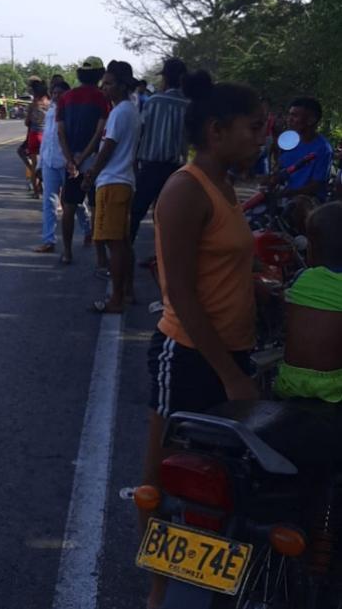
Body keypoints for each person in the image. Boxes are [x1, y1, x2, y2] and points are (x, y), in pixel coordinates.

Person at [141, 70, 265, 609]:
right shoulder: (185, 188)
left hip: (228, 352)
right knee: (162, 482)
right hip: (190, 355)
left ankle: (206, 585)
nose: (262, 137)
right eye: (254, 128)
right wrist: (231, 375)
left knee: (220, 484)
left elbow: (222, 269)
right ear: (217, 131)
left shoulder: (226, 186)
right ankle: (160, 591)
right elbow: (183, 295)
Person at [83, 60, 141, 313]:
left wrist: (92, 174)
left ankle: (116, 299)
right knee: (123, 242)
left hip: (113, 181)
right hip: (124, 180)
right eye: (103, 83)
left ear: (121, 85)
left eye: (108, 83)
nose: (103, 88)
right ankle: (126, 291)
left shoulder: (120, 112)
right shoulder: (129, 110)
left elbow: (108, 147)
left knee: (114, 243)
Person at [272, 202, 342, 402]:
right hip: (334, 389)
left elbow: (288, 303)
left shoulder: (303, 278)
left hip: (289, 383)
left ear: (311, 249)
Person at [54, 56, 109, 265]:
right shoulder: (102, 98)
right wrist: (84, 157)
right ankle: (100, 258)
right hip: (94, 159)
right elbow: (99, 131)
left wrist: (71, 160)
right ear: (99, 74)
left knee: (68, 205)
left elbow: (60, 132)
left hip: (72, 160)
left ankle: (67, 252)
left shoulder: (66, 98)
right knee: (96, 207)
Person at [129, 58, 189, 249]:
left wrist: (134, 161)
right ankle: (165, 257)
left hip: (151, 165)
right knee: (168, 214)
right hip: (176, 169)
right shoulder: (188, 105)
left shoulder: (153, 101)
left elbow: (140, 132)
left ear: (165, 79)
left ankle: (123, 256)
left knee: (136, 212)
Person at [271, 97, 332, 204]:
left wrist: (287, 193)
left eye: (294, 115)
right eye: (289, 114)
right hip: (286, 194)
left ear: (311, 120)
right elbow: (279, 169)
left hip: (308, 199)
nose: (289, 119)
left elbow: (316, 186)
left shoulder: (323, 149)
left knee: (298, 205)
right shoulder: (289, 141)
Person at [35, 80, 70, 253]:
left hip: (66, 161)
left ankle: (87, 229)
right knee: (49, 203)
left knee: (72, 203)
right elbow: (46, 139)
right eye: (54, 93)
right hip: (49, 161)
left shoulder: (70, 111)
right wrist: (40, 164)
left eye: (60, 93)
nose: (56, 96)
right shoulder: (50, 111)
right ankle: (49, 240)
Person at [18, 79, 49, 197]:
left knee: (34, 165)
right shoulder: (50, 103)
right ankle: (44, 185)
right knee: (46, 164)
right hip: (46, 136)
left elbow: (27, 122)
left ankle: (36, 192)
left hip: (34, 135)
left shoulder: (33, 105)